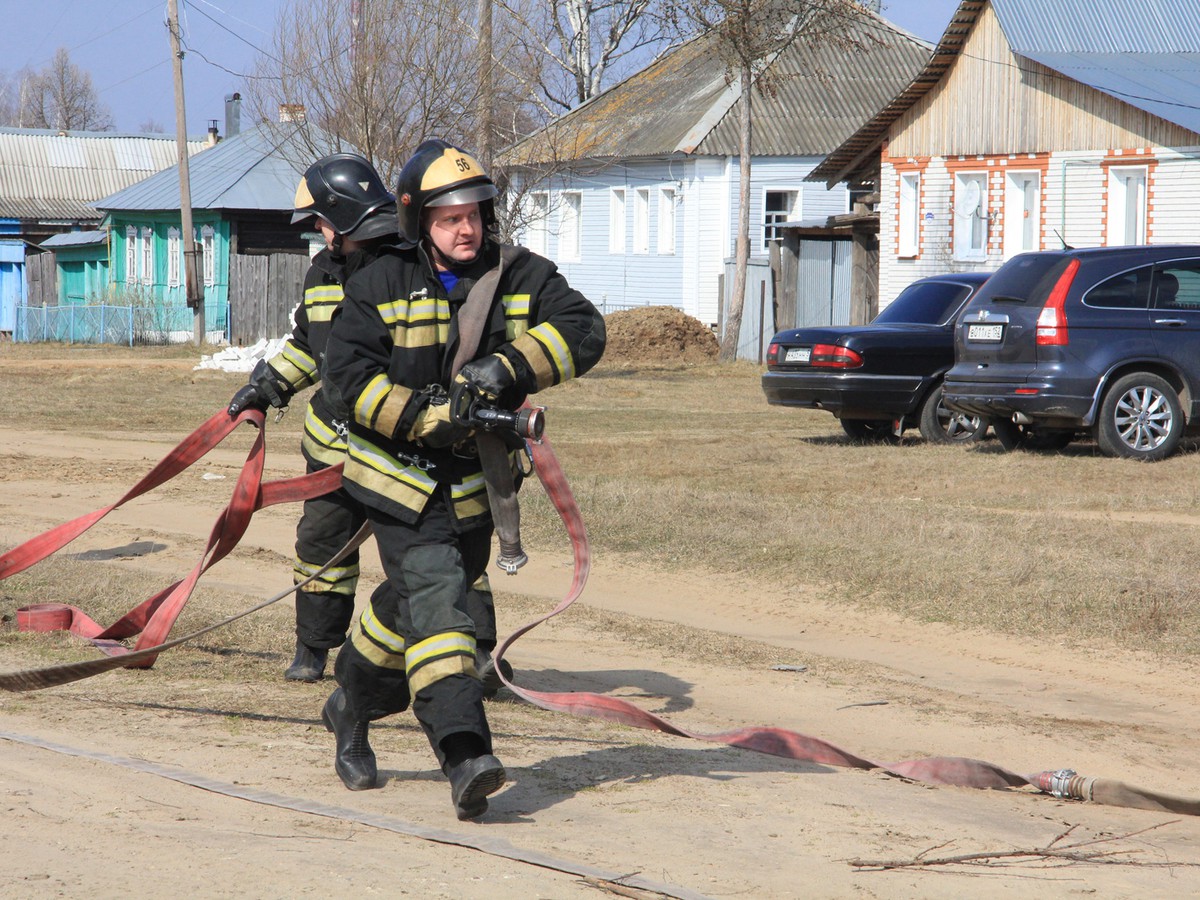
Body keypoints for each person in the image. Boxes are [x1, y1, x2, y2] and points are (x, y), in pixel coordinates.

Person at [320, 139, 606, 819]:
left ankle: (349, 701)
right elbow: (346, 384)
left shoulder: (518, 275)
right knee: (441, 608)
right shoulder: (380, 281)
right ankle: (464, 753)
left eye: (474, 214)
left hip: (478, 488)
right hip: (399, 481)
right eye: (449, 218)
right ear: (420, 221)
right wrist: (428, 419)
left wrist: (506, 367)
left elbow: (583, 329)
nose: (466, 229)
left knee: (410, 607)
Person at [227, 153, 399, 683]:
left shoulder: (408, 268)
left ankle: (474, 653)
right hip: (333, 444)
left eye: (322, 220)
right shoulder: (323, 270)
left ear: (345, 216)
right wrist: (266, 386)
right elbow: (309, 345)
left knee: (431, 552)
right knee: (322, 545)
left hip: (401, 445)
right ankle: (315, 646)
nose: (318, 231)